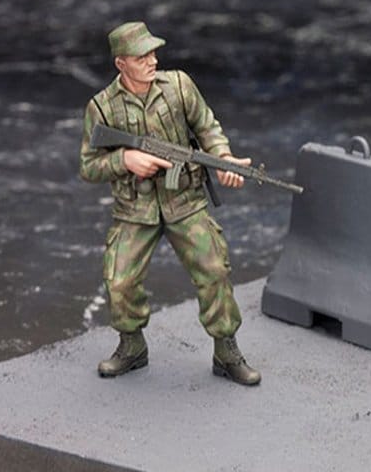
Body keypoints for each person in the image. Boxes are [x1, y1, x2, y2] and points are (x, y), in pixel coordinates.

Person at [78, 21, 260, 386]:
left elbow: (207, 127)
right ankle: (132, 346)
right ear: (120, 64)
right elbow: (88, 166)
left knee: (215, 270)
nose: (152, 61)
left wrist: (223, 158)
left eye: (153, 53)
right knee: (119, 280)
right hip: (135, 209)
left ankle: (226, 351)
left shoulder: (178, 85)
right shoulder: (102, 107)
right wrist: (125, 159)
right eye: (141, 57)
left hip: (185, 201)